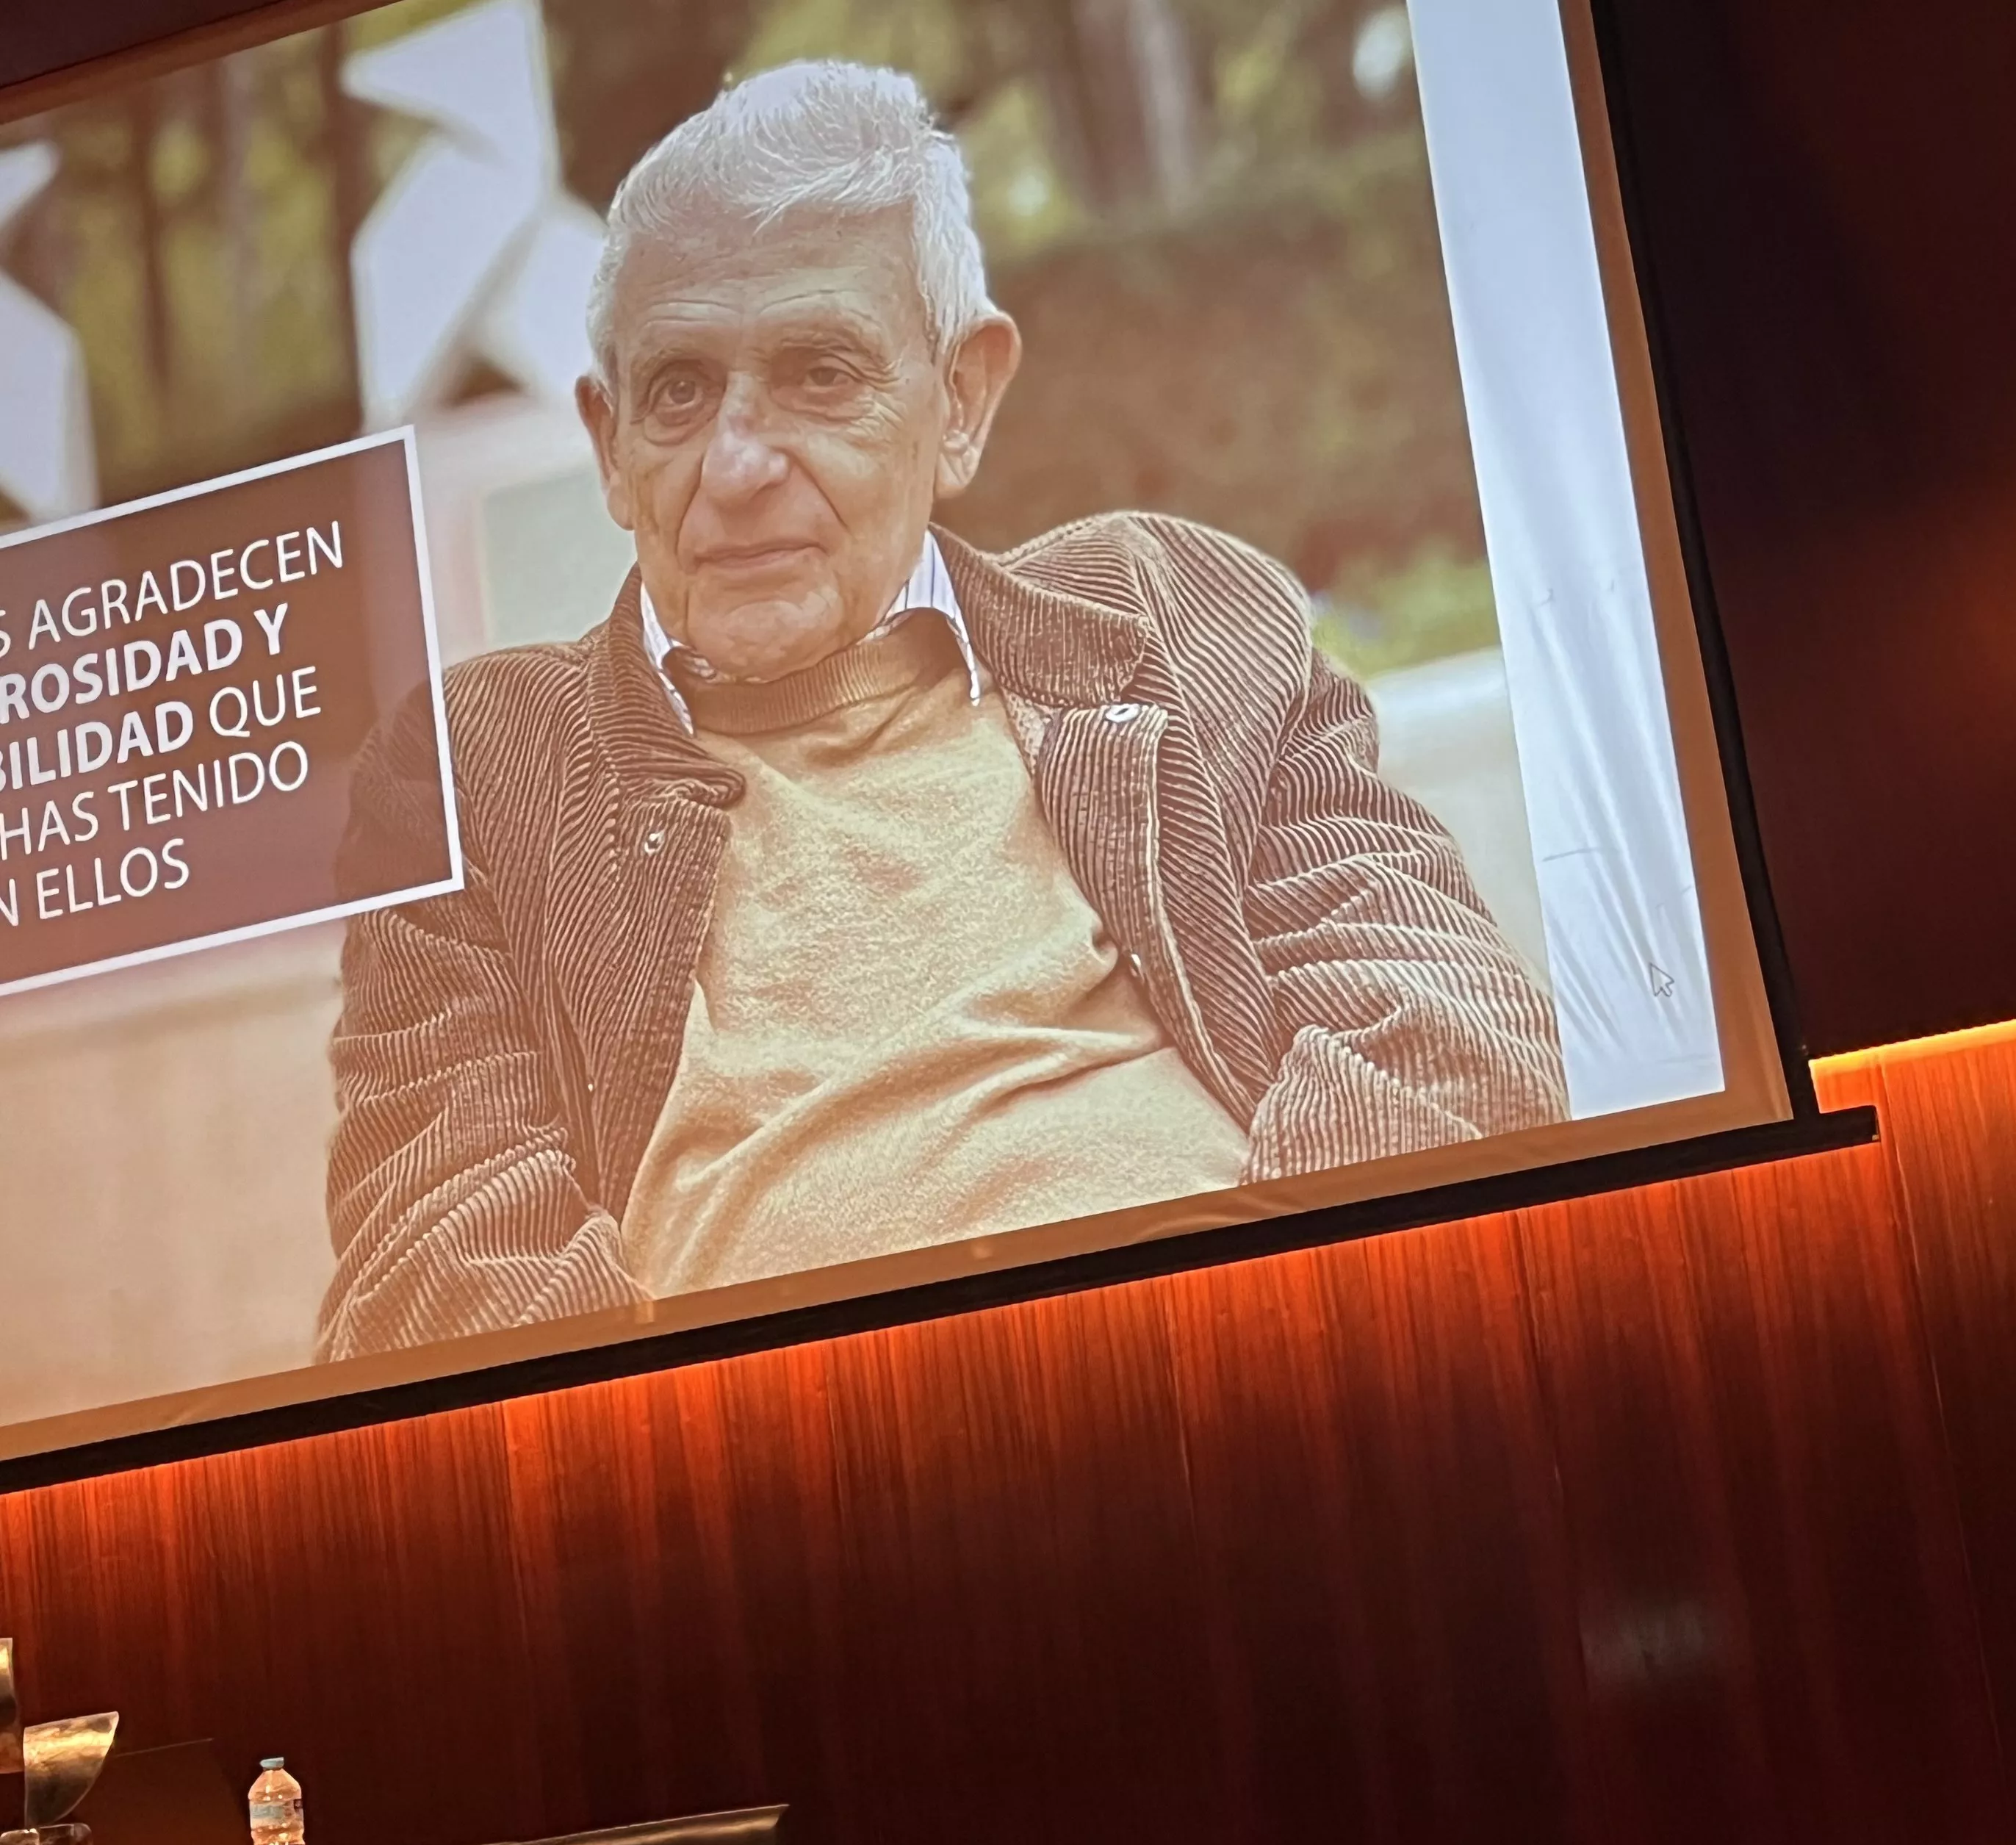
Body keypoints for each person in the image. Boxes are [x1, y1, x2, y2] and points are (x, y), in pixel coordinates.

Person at [317, 60, 1563, 1358]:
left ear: (961, 397)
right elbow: (436, 1264)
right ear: (609, 443)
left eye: (818, 372)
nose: (736, 467)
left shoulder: (1169, 616)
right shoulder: (479, 767)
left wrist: (1248, 1358)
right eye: (679, 391)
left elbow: (1450, 1041)